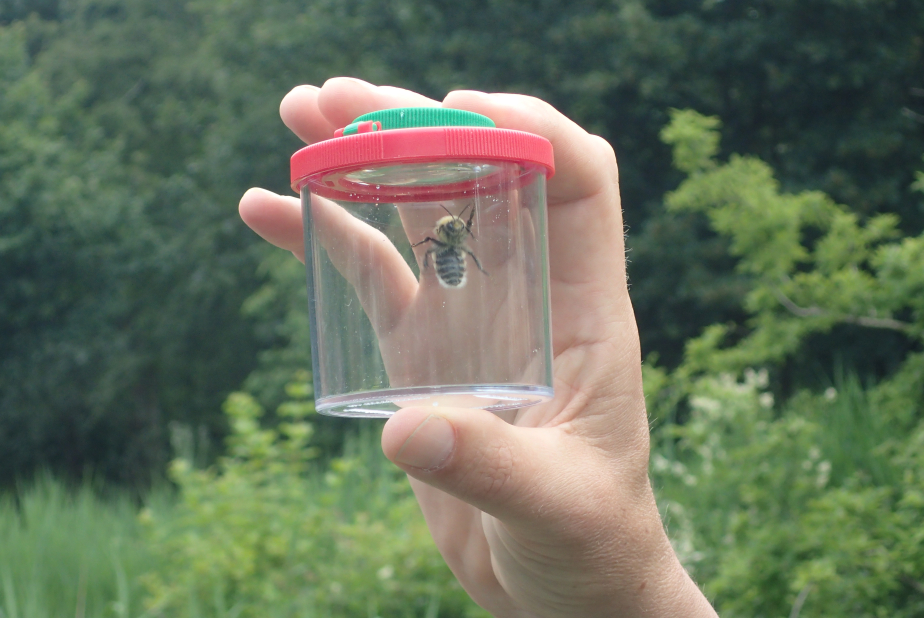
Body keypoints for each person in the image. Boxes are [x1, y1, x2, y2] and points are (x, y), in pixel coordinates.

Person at [239, 77, 719, 618]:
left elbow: (450, 239)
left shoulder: (453, 236)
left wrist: (618, 591)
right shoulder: (454, 238)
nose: (452, 226)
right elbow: (450, 240)